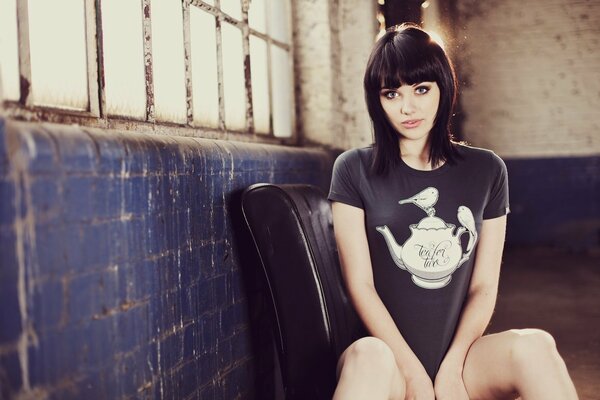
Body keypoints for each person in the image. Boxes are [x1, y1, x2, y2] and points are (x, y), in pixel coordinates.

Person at [328, 23, 579, 400]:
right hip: (388, 362)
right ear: (377, 101)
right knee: (367, 356)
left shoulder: (487, 170)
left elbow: (483, 287)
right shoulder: (352, 169)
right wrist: (413, 374)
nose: (407, 107)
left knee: (536, 347)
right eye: (391, 93)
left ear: (444, 88)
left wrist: (452, 369)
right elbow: (360, 286)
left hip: (464, 362)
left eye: (421, 89)